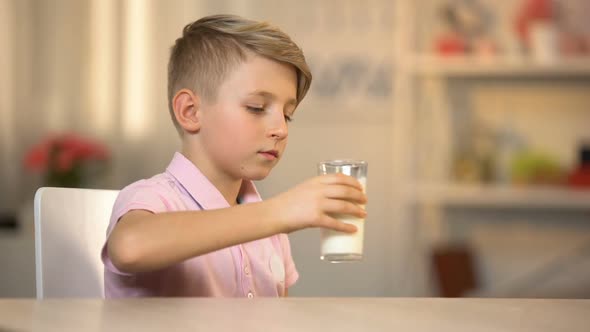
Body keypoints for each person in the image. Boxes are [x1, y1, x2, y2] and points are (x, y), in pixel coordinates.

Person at [101, 14, 367, 298]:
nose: (280, 129)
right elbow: (129, 247)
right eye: (256, 107)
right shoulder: (155, 198)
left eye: (288, 115)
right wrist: (278, 213)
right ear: (190, 111)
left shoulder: (271, 228)